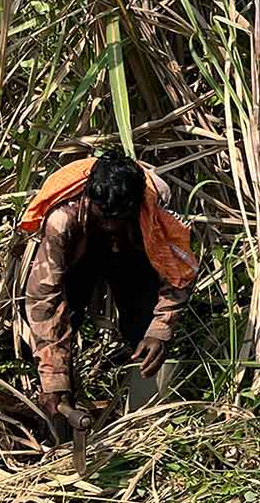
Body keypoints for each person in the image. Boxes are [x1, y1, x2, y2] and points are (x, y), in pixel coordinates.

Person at [21, 149, 197, 463]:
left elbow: (177, 273)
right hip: (80, 255)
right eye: (106, 220)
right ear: (89, 200)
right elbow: (44, 299)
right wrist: (54, 377)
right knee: (60, 334)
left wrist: (159, 330)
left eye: (120, 220)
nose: (112, 228)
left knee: (146, 336)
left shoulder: (153, 209)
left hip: (136, 256)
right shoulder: (63, 220)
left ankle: (144, 435)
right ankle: (57, 435)